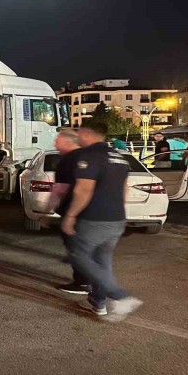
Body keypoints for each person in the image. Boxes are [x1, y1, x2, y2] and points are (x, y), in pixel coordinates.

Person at [62, 122, 143, 322]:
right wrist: (118, 212)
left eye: (79, 133)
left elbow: (83, 190)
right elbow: (124, 189)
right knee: (102, 260)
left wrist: (70, 215)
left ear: (86, 133)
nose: (77, 137)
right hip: (116, 218)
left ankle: (120, 296)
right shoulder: (118, 156)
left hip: (94, 218)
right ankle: (98, 303)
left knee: (78, 256)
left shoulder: (89, 156)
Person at [48, 129, 90, 295]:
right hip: (91, 211)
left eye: (57, 140)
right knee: (85, 247)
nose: (55, 143)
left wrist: (52, 207)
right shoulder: (88, 156)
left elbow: (61, 189)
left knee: (76, 246)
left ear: (68, 141)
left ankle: (82, 282)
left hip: (74, 210)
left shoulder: (68, 160)